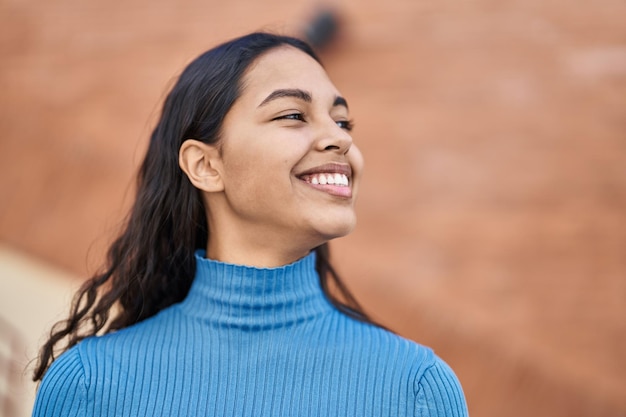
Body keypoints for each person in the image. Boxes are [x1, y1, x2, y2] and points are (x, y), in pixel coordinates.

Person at [31, 32, 469, 416]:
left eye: (342, 120)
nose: (341, 138)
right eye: (293, 115)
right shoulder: (90, 387)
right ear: (205, 165)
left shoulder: (416, 389)